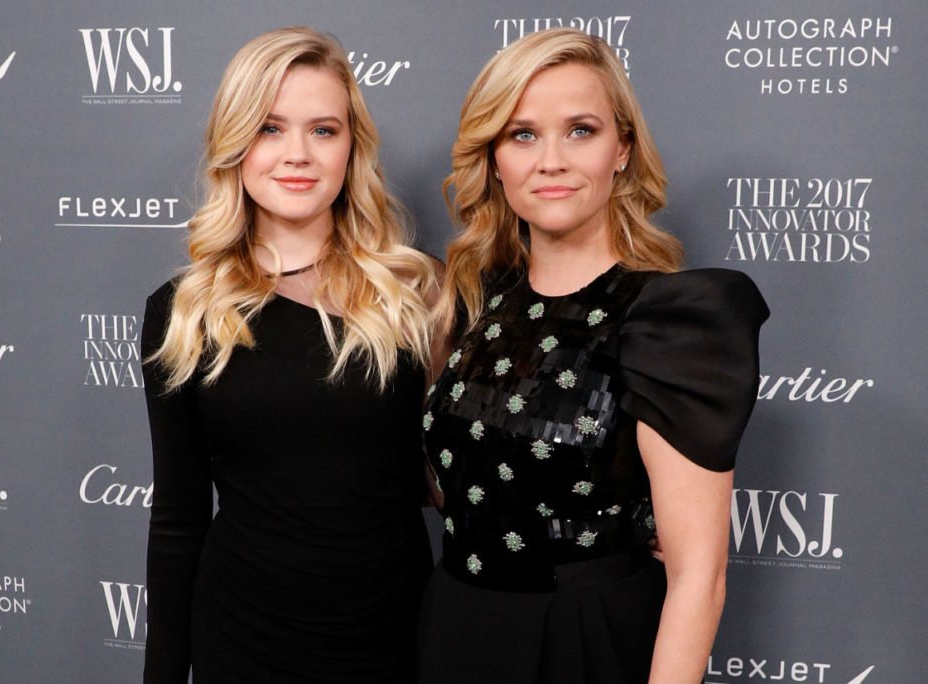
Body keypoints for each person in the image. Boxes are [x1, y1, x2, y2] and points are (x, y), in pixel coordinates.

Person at [419, 28, 769, 684]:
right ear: (493, 159)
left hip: (586, 640)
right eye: (522, 134)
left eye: (580, 130)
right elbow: (460, 482)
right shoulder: (474, 301)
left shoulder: (669, 321)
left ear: (622, 149)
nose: (551, 160)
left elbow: (700, 577)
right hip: (455, 628)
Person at [140, 26, 438, 683]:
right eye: (270, 128)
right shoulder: (184, 312)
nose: (297, 154)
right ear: (235, 143)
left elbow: (478, 471)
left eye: (323, 130)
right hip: (241, 644)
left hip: (395, 642)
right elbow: (178, 520)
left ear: (351, 146)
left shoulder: (418, 295)